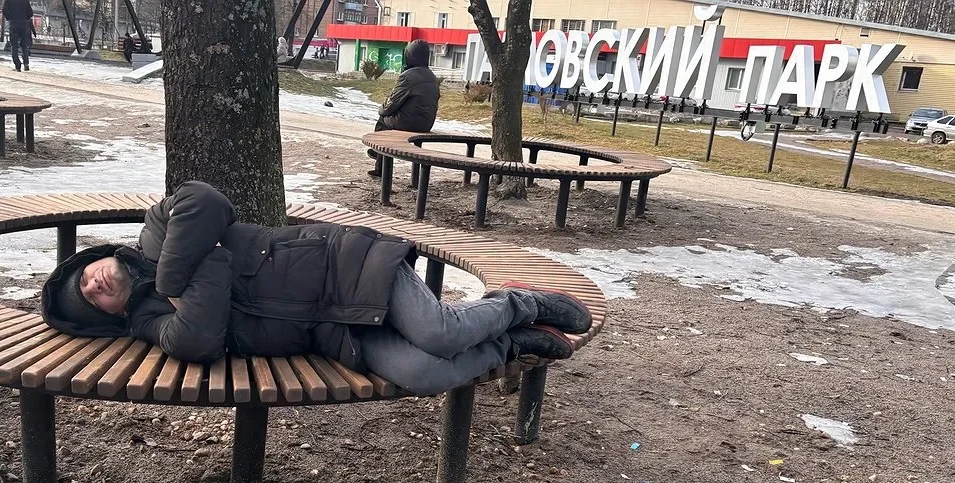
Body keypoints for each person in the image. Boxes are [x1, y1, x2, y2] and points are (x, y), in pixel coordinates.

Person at [40, 182, 592, 397]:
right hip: (331, 331)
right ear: (112, 315)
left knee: (438, 331)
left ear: (99, 256)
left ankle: (520, 302)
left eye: (85, 274)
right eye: (91, 298)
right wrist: (203, 264)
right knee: (425, 373)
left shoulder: (157, 232)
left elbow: (205, 200)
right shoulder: (149, 323)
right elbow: (197, 340)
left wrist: (173, 280)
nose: (94, 283)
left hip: (343, 267)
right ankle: (510, 343)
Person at [369, 39, 439, 178]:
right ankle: (378, 153)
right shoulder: (432, 76)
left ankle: (379, 160)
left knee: (384, 121)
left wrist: (381, 110)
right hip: (426, 123)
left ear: (409, 56)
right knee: (389, 121)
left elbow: (392, 104)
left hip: (409, 123)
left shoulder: (407, 76)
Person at [1, 0, 33, 71]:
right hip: (24, 24)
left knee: (14, 45)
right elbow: (30, 13)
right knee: (24, 45)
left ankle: (17, 65)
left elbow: (4, 10)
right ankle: (26, 63)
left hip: (13, 24)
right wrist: (25, 18)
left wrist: (10, 18)